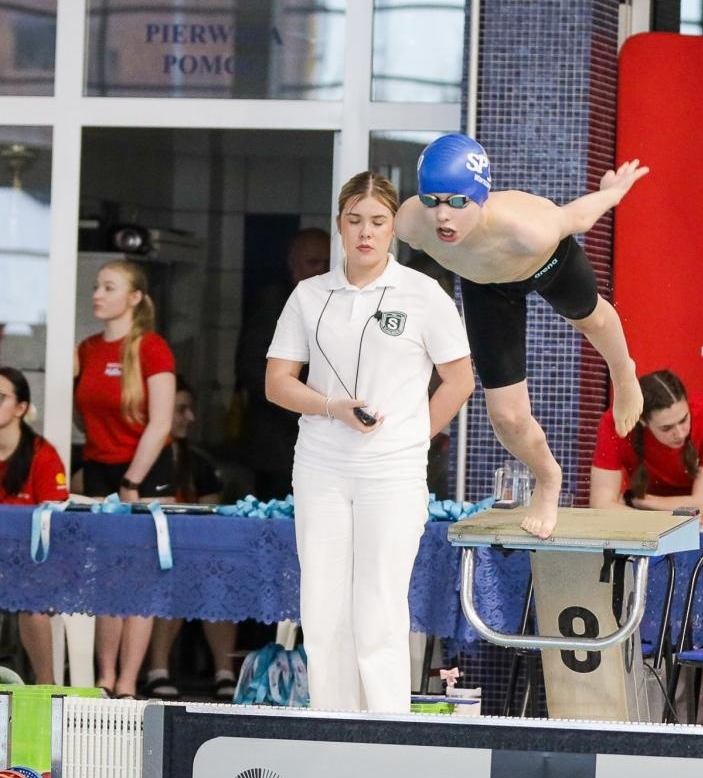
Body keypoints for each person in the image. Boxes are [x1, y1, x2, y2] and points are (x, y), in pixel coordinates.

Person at [265, 171, 473, 713]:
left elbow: (460, 380)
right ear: (339, 225)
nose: (365, 232)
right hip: (321, 463)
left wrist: (413, 437)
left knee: (379, 602)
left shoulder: (423, 294)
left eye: (377, 221)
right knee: (323, 601)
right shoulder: (309, 296)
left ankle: (385, 723)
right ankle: (329, 718)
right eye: (354, 220)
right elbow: (278, 382)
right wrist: (332, 406)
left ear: (394, 228)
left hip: (392, 471)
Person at [395, 132, 648, 540]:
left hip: (546, 263)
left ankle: (623, 373)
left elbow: (579, 217)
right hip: (485, 287)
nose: (444, 216)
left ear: (480, 196)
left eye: (458, 202)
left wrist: (613, 192)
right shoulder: (410, 223)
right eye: (433, 201)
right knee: (507, 417)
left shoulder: (527, 227)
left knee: (592, 320)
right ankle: (548, 478)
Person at [74, 260, 175, 698]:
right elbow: (82, 412)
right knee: (105, 578)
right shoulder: (87, 348)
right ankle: (104, 677)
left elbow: (161, 421)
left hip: (144, 470)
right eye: (97, 286)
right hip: (100, 466)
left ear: (134, 298)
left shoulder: (151, 349)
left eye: (109, 287)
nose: (98, 294)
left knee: (138, 578)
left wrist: (132, 479)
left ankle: (129, 682)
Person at [143, 377, 236, 700]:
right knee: (170, 578)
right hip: (151, 554)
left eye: (190, 410)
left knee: (219, 577)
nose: (190, 418)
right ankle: (158, 671)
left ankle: (225, 673)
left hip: (195, 553)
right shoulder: (142, 461)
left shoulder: (198, 463)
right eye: (181, 409)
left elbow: (215, 518)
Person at [234, 228, 331, 500]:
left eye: (327, 263)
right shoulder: (274, 300)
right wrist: (304, 406)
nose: (321, 270)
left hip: (320, 439)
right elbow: (251, 367)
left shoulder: (332, 300)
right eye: (313, 262)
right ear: (293, 263)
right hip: (278, 443)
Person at [590, 369, 703, 531]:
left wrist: (640, 502)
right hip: (645, 510)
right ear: (642, 421)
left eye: (684, 420)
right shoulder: (618, 423)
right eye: (666, 428)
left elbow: (701, 509)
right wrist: (656, 522)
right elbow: (601, 505)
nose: (680, 433)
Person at [0, 366, 69, 684]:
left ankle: (46, 686)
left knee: (33, 598)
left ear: (21, 408)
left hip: (32, 561)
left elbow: (56, 524)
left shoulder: (42, 455)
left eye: (0, 397)